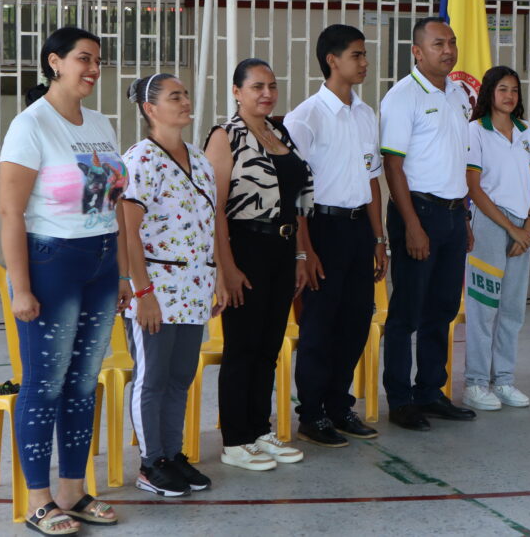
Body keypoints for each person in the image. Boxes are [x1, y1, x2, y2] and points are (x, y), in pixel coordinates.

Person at [0, 26, 129, 532]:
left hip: (99, 263)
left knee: (82, 384)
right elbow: (10, 212)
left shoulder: (100, 122)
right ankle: (39, 499)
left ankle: (74, 490)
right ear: (54, 62)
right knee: (45, 384)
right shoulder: (30, 126)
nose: (93, 69)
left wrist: (117, 272)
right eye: (83, 59)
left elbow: (111, 205)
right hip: (52, 264)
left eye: (98, 60)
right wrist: (21, 286)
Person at [203, 58, 313, 470]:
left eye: (272, 85)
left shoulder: (279, 132)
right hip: (245, 248)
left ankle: (259, 429)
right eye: (256, 87)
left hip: (282, 250)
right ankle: (235, 439)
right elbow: (214, 208)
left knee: (269, 346)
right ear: (236, 92)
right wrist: (225, 267)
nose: (266, 93)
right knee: (243, 346)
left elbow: (297, 201)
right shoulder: (225, 136)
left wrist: (301, 253)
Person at [284, 25, 388, 447]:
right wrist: (304, 251)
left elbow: (373, 179)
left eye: (364, 56)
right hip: (320, 229)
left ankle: (339, 406)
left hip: (358, 229)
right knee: (319, 326)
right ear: (332, 60)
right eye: (357, 55)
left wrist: (380, 240)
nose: (364, 63)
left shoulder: (365, 114)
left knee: (355, 321)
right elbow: (294, 192)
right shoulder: (305, 117)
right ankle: (311, 413)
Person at [378, 17, 477, 431]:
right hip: (419, 213)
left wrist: (465, 216)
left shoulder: (457, 94)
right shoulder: (403, 97)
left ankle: (431, 390)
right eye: (439, 44)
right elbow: (393, 166)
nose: (448, 50)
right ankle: (401, 399)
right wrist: (412, 225)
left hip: (454, 214)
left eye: (452, 42)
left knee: (443, 308)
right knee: (407, 311)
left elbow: (456, 159)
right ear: (417, 51)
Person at [121, 73, 216, 496]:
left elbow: (209, 224)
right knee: (152, 376)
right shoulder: (140, 159)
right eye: (174, 96)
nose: (184, 101)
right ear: (150, 108)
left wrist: (211, 279)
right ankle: (151, 461)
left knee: (181, 375)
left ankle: (173, 454)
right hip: (155, 289)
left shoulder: (199, 159)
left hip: (193, 285)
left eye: (186, 94)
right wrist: (141, 293)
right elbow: (127, 229)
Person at [460, 66, 530, 411]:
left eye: (515, 90)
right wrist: (512, 230)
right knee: (483, 309)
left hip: (523, 225)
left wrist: (529, 224)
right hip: (491, 225)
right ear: (489, 93)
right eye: (503, 89)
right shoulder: (475, 131)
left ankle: (504, 379)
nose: (509, 96)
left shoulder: (525, 131)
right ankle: (476, 383)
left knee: (512, 309)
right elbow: (474, 189)